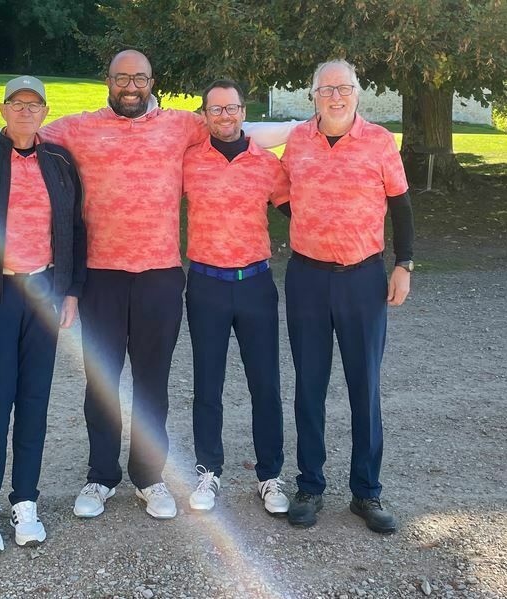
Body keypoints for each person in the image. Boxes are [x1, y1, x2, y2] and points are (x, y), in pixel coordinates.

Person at [0, 50, 297, 521]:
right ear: (108, 81)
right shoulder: (79, 128)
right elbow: (23, 129)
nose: (131, 86)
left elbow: (239, 127)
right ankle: (101, 476)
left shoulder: (180, 125)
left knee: (152, 384)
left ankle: (149, 477)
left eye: (139, 78)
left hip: (159, 275)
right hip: (101, 276)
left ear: (152, 81)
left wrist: (309, 125)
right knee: (102, 383)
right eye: (122, 78)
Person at [0, 76, 86, 555]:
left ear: (45, 111)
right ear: (3, 110)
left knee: (34, 403)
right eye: (17, 103)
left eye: (34, 104)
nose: (26, 111)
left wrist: (71, 292)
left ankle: (25, 500)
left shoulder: (59, 161)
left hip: (44, 294)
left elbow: (75, 231)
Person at [280, 59, 414, 534]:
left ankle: (367, 491)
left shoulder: (379, 141)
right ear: (313, 96)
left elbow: (401, 204)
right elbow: (281, 192)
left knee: (365, 386)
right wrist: (312, 218)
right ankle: (310, 485)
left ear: (357, 93)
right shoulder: (298, 141)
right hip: (307, 278)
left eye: (344, 88)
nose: (335, 97)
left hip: (363, 279)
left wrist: (404, 264)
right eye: (325, 89)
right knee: (309, 385)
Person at [182, 80, 290, 515]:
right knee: (207, 384)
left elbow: (300, 210)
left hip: (255, 284)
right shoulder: (189, 161)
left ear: (244, 111)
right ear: (204, 115)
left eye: (232, 108)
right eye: (216, 109)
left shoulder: (267, 163)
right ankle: (208, 471)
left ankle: (270, 475)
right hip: (206, 284)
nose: (225, 116)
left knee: (265, 384)